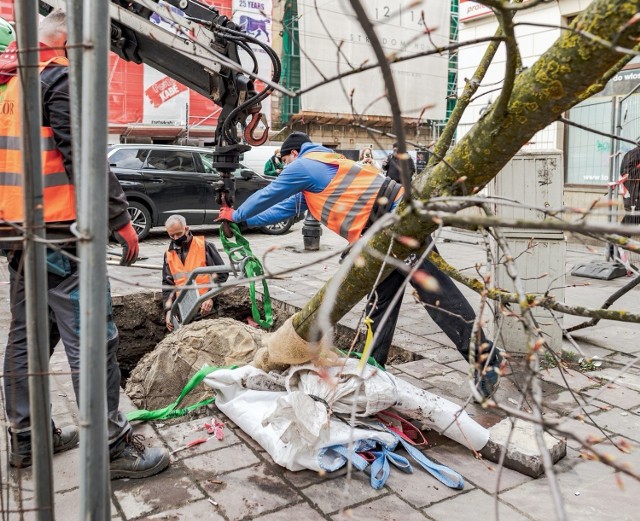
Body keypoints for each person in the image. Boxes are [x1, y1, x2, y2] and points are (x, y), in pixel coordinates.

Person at [0, 9, 170, 477]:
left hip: (19, 236)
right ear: (66, 41)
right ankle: (112, 446)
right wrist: (122, 220)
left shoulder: (9, 86)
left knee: (27, 340)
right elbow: (88, 159)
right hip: (61, 236)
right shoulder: (56, 80)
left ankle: (28, 439)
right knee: (93, 338)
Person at [217, 131, 502, 399]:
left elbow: (272, 193)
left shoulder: (304, 164)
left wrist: (236, 212)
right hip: (382, 230)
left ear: (292, 153)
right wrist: (244, 221)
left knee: (437, 295)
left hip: (397, 222)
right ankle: (374, 367)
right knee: (380, 301)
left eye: (283, 160)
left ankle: (486, 360)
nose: (283, 167)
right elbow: (282, 208)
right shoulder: (319, 171)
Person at [162, 215, 229, 331]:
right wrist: (168, 311)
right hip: (183, 310)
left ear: (186, 229)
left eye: (178, 233)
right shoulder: (169, 255)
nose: (175, 238)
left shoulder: (205, 246)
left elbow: (222, 273)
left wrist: (210, 298)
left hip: (206, 310)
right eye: (171, 235)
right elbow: (167, 285)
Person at [619, 144, 640, 226]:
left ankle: (619, 236)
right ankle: (618, 237)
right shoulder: (636, 153)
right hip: (635, 191)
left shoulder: (630, 153)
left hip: (632, 190)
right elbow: (628, 173)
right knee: (633, 216)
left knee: (633, 216)